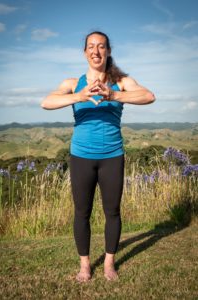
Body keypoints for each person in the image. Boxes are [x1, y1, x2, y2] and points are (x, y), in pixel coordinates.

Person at [41, 31, 155, 282]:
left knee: (112, 211)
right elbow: (46, 102)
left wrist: (113, 95)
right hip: (81, 156)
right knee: (82, 212)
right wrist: (81, 96)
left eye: (101, 46)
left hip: (112, 156)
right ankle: (84, 266)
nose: (96, 50)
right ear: (85, 53)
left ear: (108, 51)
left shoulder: (122, 81)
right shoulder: (72, 82)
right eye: (91, 46)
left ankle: (108, 264)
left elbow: (148, 96)